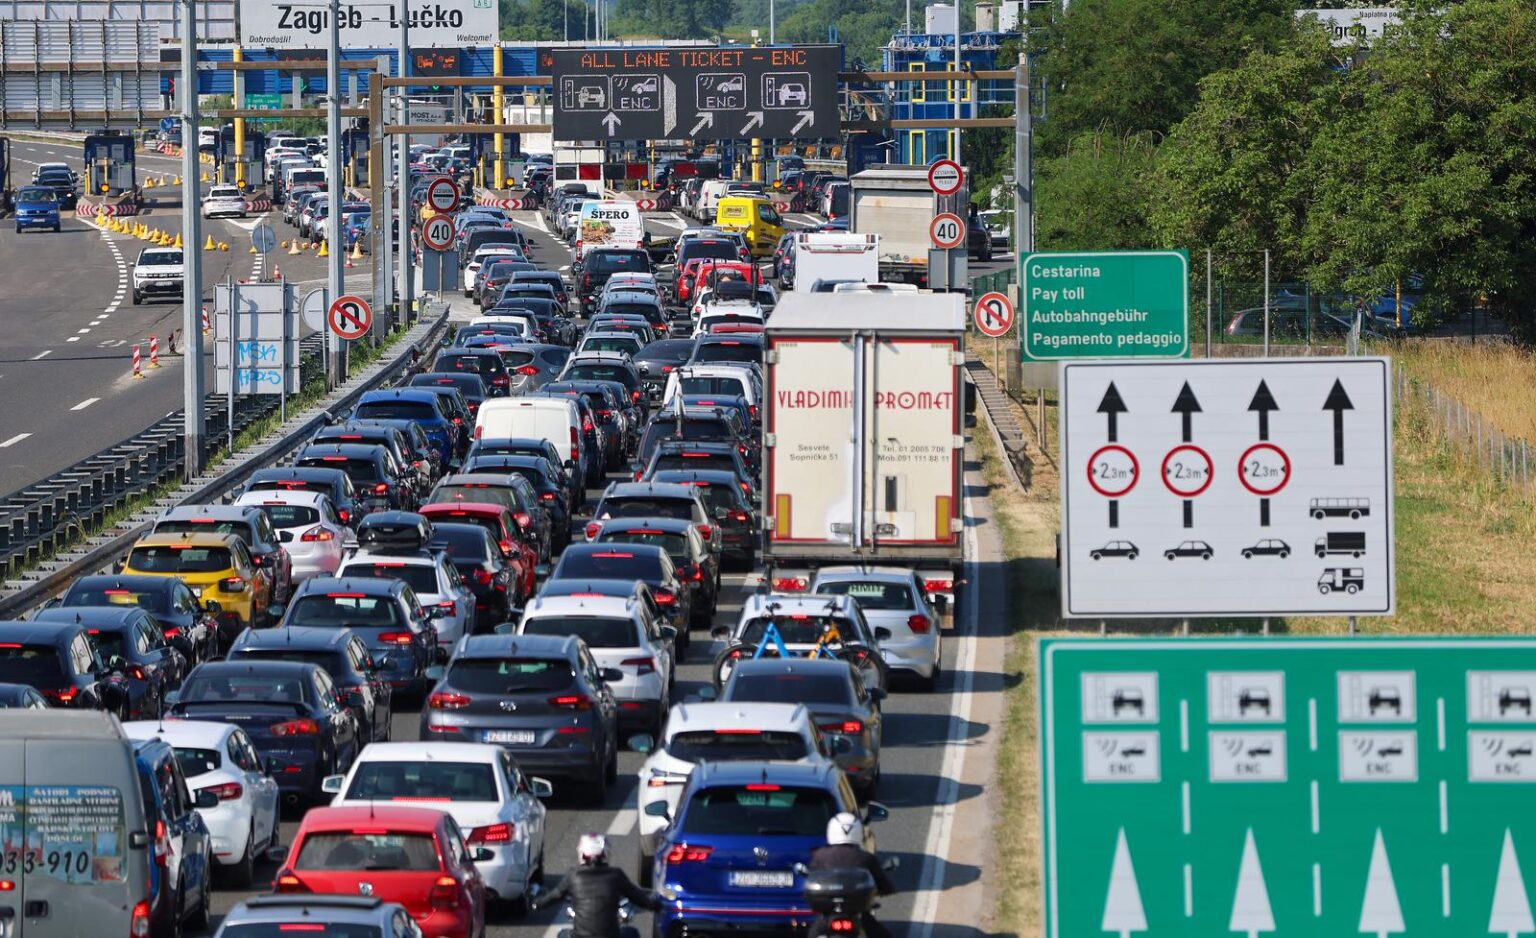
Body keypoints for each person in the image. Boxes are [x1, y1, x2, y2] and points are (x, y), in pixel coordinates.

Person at [532, 833, 659, 938]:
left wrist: (537, 903)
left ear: (581, 853)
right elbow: (638, 897)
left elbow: (556, 895)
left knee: (562, 935)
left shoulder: (574, 875)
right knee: (632, 933)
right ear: (606, 854)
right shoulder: (616, 875)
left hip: (580, 936)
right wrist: (656, 904)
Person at [807, 813, 895, 938]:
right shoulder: (866, 857)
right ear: (858, 832)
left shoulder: (819, 856)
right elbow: (882, 882)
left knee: (813, 933)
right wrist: (887, 889)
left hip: (830, 913)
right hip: (857, 913)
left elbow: (812, 877)